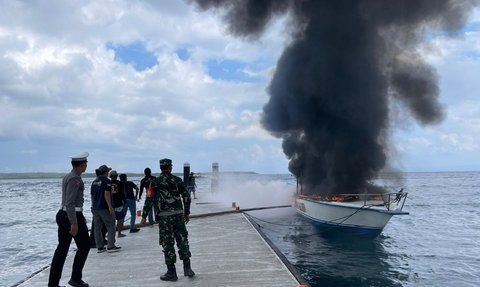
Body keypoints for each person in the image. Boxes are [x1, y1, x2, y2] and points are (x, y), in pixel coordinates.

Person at [141, 158, 195, 281]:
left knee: (167, 243)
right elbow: (187, 197)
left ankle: (172, 272)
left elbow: (149, 199)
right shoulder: (177, 180)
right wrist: (186, 212)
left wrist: (144, 216)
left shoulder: (155, 182)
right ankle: (188, 268)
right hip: (178, 215)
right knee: (182, 240)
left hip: (164, 217)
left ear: (161, 167)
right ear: (170, 167)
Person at [48, 152, 90, 287]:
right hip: (70, 215)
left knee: (61, 250)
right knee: (84, 246)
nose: (86, 166)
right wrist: (74, 222)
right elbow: (70, 202)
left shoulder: (68, 176)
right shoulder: (75, 179)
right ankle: (75, 278)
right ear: (82, 165)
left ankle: (53, 284)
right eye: (85, 164)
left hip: (65, 214)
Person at [91, 165, 121, 253]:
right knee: (111, 226)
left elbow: (92, 195)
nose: (108, 172)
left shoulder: (94, 181)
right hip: (104, 207)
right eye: (107, 171)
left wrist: (93, 206)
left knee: (97, 228)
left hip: (96, 208)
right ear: (105, 172)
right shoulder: (107, 181)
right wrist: (110, 206)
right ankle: (111, 246)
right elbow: (107, 193)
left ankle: (100, 247)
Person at [109, 170, 127, 238]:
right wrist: (125, 201)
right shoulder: (119, 183)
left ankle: (110, 234)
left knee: (111, 220)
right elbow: (123, 193)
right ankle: (119, 233)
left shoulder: (108, 183)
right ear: (116, 176)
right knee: (119, 219)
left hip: (110, 204)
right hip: (119, 203)